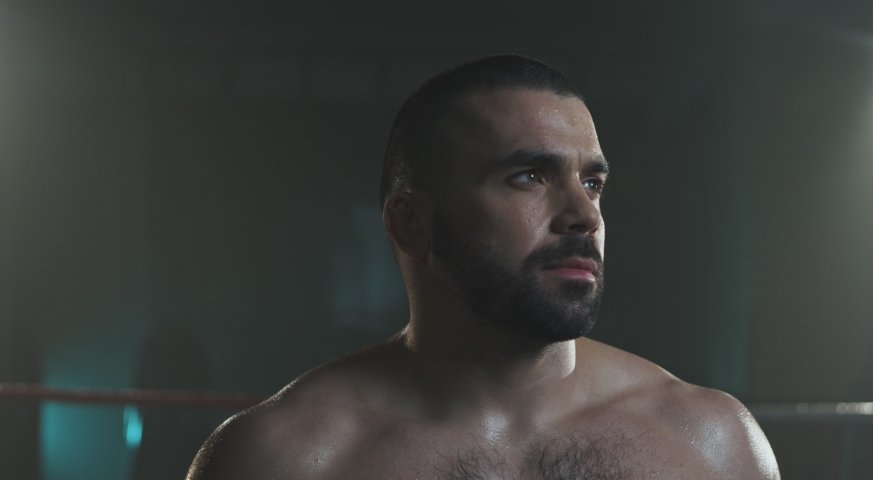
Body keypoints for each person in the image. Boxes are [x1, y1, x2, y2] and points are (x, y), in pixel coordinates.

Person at [186, 54, 779, 479]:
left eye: (593, 183)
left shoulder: (712, 446)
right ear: (410, 223)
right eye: (528, 177)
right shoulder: (283, 461)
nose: (583, 215)